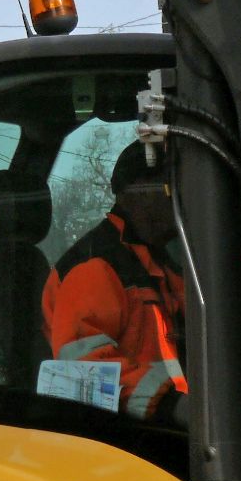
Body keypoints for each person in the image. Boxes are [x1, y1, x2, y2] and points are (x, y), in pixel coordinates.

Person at [41, 142, 188, 422]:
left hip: (162, 421)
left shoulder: (158, 265)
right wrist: (175, 406)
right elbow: (86, 369)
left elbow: (196, 348)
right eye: (171, 189)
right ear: (132, 195)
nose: (180, 201)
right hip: (124, 434)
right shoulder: (96, 267)